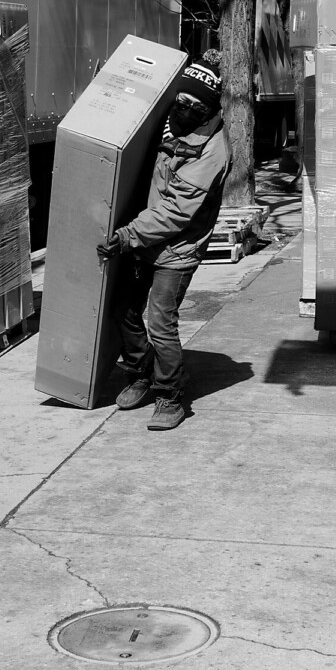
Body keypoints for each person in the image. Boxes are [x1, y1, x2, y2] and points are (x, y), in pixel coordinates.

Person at [96, 55, 231, 431]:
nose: (184, 110)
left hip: (177, 250)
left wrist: (127, 236)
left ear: (210, 110)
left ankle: (170, 396)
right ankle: (141, 373)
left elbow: (175, 212)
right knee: (123, 308)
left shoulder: (213, 150)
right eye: (181, 101)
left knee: (160, 324)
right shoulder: (168, 128)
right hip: (146, 239)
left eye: (195, 106)